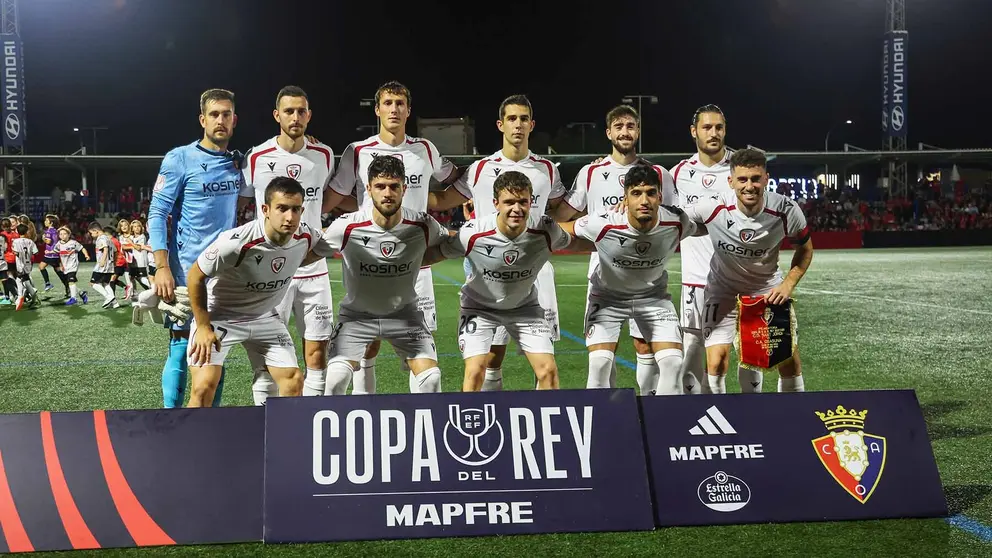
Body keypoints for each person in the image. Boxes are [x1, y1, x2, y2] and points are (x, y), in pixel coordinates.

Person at [324, 80, 460, 395]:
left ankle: (422, 420)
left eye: (400, 103)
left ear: (408, 110)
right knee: (366, 345)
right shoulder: (358, 151)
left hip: (417, 264)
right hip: (369, 259)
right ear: (377, 109)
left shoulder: (425, 149)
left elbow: (453, 179)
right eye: (388, 103)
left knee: (421, 349)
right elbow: (333, 197)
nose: (394, 109)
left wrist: (466, 196)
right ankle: (365, 413)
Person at [437, 94, 568, 391]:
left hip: (534, 274)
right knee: (491, 359)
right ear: (500, 125)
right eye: (512, 119)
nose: (518, 125)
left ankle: (542, 423)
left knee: (545, 362)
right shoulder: (481, 169)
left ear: (532, 125)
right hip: (488, 275)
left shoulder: (546, 169)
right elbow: (444, 199)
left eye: (524, 119)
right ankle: (490, 422)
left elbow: (564, 211)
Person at [554, 104, 678, 394]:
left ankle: (646, 407)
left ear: (638, 131)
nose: (625, 132)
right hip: (604, 276)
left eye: (630, 126)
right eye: (619, 126)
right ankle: (611, 415)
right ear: (609, 132)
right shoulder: (592, 172)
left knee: (645, 346)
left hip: (647, 276)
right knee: (601, 356)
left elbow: (673, 215)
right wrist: (598, 226)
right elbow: (563, 217)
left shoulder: (658, 173)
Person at [425, 170, 574, 391]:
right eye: (509, 202)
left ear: (531, 202)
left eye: (523, 201)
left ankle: (544, 423)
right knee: (475, 371)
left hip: (525, 307)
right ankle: (472, 422)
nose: (517, 208)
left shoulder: (545, 229)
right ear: (496, 203)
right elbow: (437, 253)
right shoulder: (473, 233)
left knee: (548, 371)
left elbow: (577, 242)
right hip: (479, 307)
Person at [314, 155, 449, 396]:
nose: (387, 193)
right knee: (334, 381)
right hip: (357, 317)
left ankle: (419, 430)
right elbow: (308, 253)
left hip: (405, 316)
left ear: (404, 189)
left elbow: (449, 245)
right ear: (368, 189)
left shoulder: (423, 225)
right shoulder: (346, 227)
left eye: (394, 186)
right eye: (380, 186)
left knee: (431, 380)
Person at [185, 177, 326, 406]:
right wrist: (202, 326)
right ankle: (190, 441)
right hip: (220, 317)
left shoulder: (307, 236)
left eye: (295, 210)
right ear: (265, 209)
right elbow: (195, 276)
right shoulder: (235, 242)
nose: (289, 217)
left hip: (265, 318)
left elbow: (323, 246)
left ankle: (280, 440)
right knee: (203, 388)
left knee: (293, 381)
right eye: (281, 208)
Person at [682, 148, 814, 393]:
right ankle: (718, 423)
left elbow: (805, 249)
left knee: (787, 360)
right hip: (723, 290)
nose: (749, 186)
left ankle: (794, 420)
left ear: (766, 179)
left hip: (766, 291)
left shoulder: (785, 209)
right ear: (731, 181)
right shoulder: (713, 207)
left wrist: (788, 284)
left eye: (755, 178)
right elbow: (672, 220)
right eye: (742, 179)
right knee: (716, 362)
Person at [238, 85, 337, 404]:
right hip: (269, 271)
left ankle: (309, 421)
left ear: (309, 115)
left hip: (313, 268)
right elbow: (242, 207)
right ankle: (264, 419)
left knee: (316, 352)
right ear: (276, 115)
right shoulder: (257, 157)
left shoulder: (324, 155)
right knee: (268, 355)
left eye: (301, 111)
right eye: (289, 111)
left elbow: (326, 199)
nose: (295, 117)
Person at [561, 164, 696, 395]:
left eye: (650, 193)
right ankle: (602, 425)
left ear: (660, 197)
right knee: (600, 363)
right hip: (607, 299)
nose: (644, 200)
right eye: (636, 193)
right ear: (625, 198)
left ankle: (660, 423)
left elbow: (702, 227)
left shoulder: (677, 221)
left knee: (673, 363)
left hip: (653, 298)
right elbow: (563, 228)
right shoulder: (604, 221)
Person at [147, 88, 243, 408]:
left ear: (234, 120)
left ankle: (207, 424)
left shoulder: (237, 163)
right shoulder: (180, 158)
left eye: (226, 114)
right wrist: (162, 267)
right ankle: (171, 420)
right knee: (179, 343)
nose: (220, 120)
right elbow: (158, 213)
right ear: (202, 119)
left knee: (216, 350)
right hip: (186, 272)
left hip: (225, 275)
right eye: (214, 114)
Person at [671, 104, 735, 394]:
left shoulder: (740, 169)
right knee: (693, 352)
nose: (714, 133)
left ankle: (752, 416)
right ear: (693, 131)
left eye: (719, 127)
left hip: (739, 281)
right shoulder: (677, 174)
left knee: (748, 354)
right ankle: (694, 418)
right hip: (695, 281)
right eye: (707, 127)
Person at [54, 226, 89, 305]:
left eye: (65, 234)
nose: (63, 236)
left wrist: (86, 255)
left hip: (73, 266)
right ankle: (82, 293)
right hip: (65, 267)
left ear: (69, 235)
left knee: (71, 281)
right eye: (61, 234)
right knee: (70, 282)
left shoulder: (73, 243)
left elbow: (82, 248)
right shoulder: (58, 244)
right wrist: (60, 264)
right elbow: (56, 253)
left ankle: (73, 298)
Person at [90, 225, 121, 309]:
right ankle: (115, 303)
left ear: (96, 231)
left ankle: (109, 297)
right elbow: (115, 251)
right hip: (110, 265)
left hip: (102, 265)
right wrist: (113, 262)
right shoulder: (109, 239)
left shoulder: (101, 238)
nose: (91, 235)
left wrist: (103, 260)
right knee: (105, 283)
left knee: (93, 283)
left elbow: (105, 248)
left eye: (91, 232)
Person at [11, 224, 39, 310]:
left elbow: (15, 253)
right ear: (26, 232)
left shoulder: (15, 241)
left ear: (17, 232)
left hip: (20, 264)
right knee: (19, 280)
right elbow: (36, 253)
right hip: (28, 263)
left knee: (25, 281)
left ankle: (28, 297)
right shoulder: (30, 241)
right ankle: (23, 296)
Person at [38, 215, 66, 295]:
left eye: (46, 221)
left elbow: (48, 242)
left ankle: (48, 283)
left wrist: (43, 238)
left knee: (41, 266)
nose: (45, 222)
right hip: (55, 253)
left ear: (51, 223)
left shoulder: (49, 231)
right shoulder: (56, 230)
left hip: (50, 254)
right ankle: (67, 285)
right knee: (57, 270)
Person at [128, 220, 151, 290]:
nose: (137, 228)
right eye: (135, 227)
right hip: (134, 261)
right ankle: (147, 290)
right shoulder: (131, 237)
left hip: (141, 261)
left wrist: (131, 243)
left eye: (138, 226)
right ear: (132, 228)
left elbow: (138, 248)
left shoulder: (142, 237)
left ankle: (152, 288)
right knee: (133, 277)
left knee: (143, 277)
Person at [0, 218, 18, 305]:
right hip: (15, 258)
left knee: (6, 279)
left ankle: (11, 296)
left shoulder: (2, 235)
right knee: (14, 277)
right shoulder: (16, 234)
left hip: (6, 258)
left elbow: (5, 248)